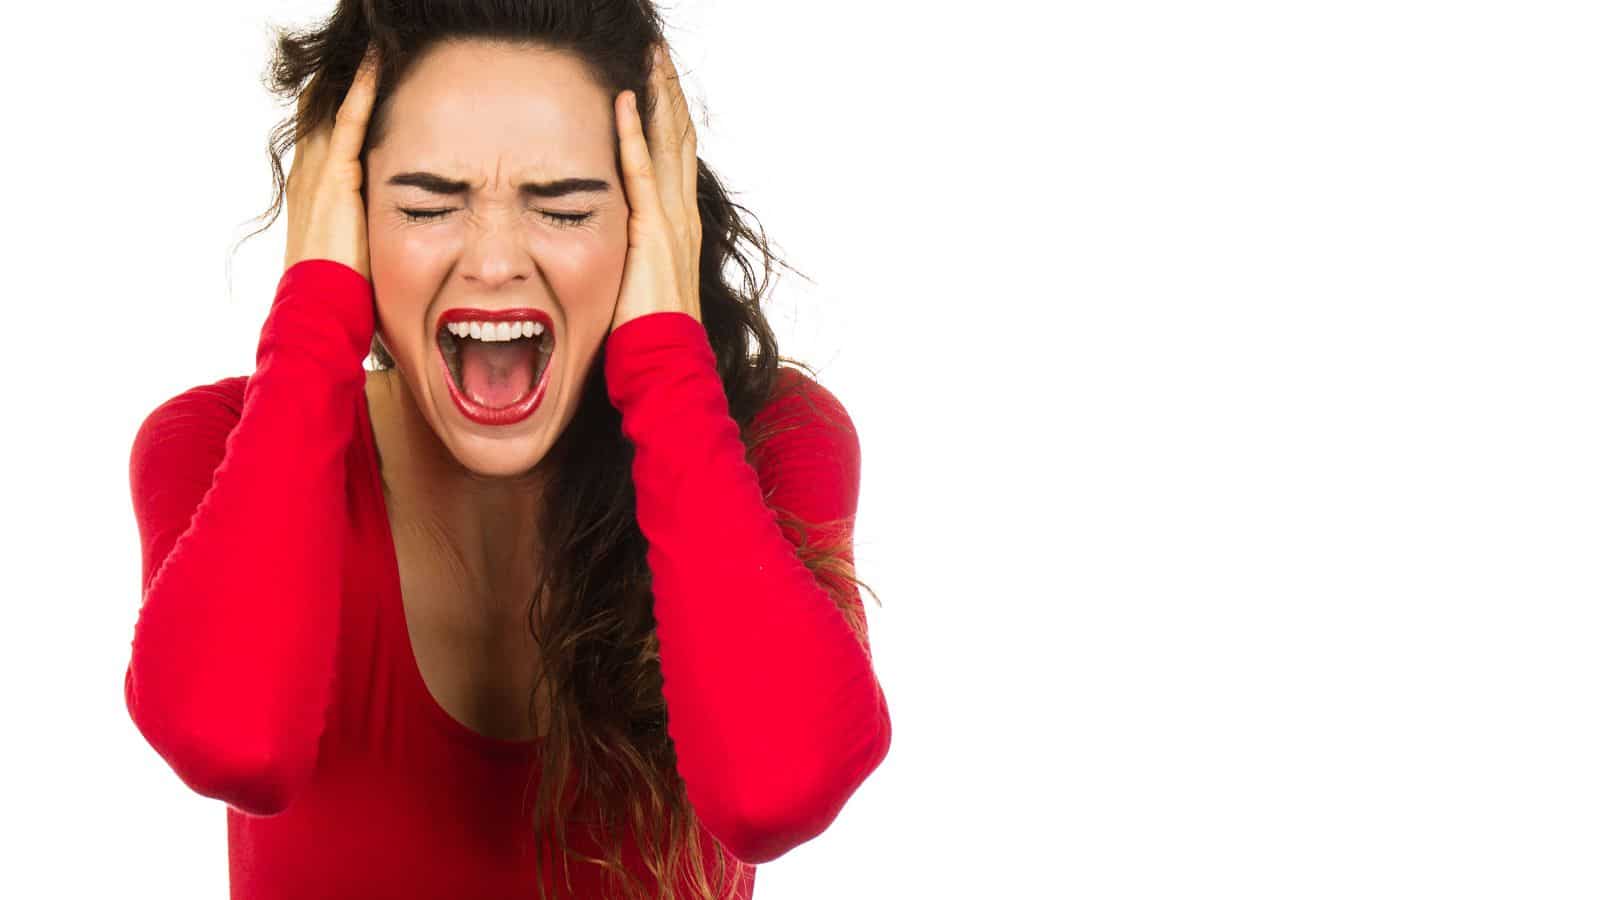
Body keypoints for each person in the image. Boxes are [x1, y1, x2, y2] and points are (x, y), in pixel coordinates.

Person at [123, 3, 891, 897]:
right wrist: (311, 319)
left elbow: (777, 794)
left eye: (564, 209)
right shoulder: (215, 447)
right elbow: (233, 742)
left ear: (656, 221)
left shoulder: (772, 442)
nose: (494, 262)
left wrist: (670, 367)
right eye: (425, 204)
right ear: (345, 214)